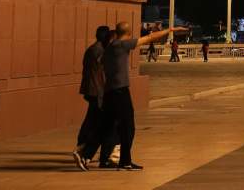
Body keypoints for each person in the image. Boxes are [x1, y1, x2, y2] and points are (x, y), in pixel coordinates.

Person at [77, 22, 184, 171]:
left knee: (106, 126)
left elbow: (101, 63)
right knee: (128, 127)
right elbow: (149, 38)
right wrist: (170, 29)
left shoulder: (109, 47)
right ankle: (124, 161)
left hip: (109, 91)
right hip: (120, 91)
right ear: (128, 33)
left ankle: (85, 155)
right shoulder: (122, 44)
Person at [74, 26, 115, 168]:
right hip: (97, 92)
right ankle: (84, 148)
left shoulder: (92, 49)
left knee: (91, 119)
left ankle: (83, 147)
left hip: (92, 90)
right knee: (96, 122)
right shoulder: (99, 51)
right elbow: (101, 74)